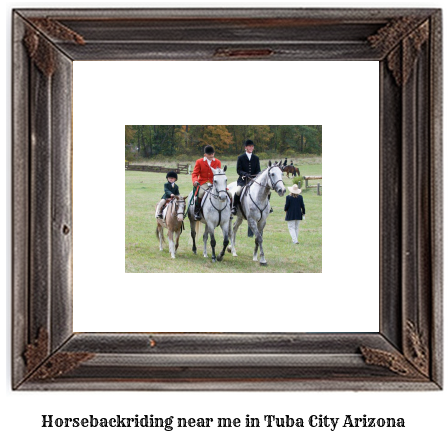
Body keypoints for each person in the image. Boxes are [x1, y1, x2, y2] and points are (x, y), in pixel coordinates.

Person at [191, 145, 222, 220]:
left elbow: (219, 173)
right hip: (203, 183)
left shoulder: (217, 162)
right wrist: (195, 180)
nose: (211, 155)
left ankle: (228, 210)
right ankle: (197, 211)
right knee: (200, 193)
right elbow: (195, 174)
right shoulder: (199, 161)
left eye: (212, 154)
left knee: (227, 193)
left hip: (214, 182)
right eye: (209, 154)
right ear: (205, 155)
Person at [231, 140, 261, 215]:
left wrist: (256, 176)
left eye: (252, 146)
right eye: (249, 146)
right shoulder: (241, 157)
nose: (251, 147)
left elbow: (258, 170)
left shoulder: (256, 158)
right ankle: (234, 207)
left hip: (254, 180)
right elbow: (238, 170)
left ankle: (267, 207)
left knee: (265, 191)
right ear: (245, 147)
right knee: (238, 191)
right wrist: (245, 174)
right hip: (243, 180)